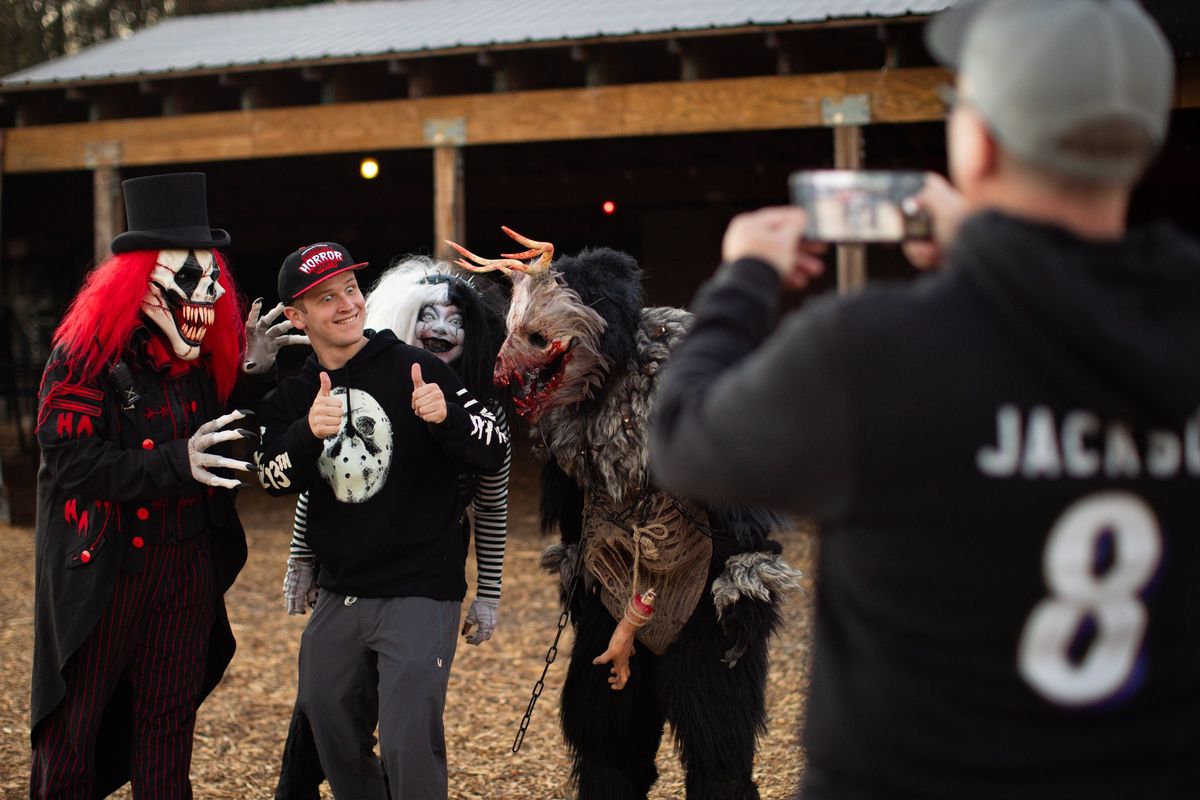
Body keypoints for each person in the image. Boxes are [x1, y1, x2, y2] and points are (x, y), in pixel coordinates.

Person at [650, 1, 1200, 798]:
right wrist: (986, 246)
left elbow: (685, 437)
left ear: (976, 142)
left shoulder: (869, 352)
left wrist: (744, 279)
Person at [30, 172, 256, 797]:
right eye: (188, 277)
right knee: (74, 729)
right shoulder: (83, 356)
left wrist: (250, 369)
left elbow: (229, 432)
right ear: (141, 280)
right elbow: (68, 460)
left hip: (185, 566)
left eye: (213, 279)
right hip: (107, 569)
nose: (206, 294)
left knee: (167, 725)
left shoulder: (199, 358)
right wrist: (171, 464)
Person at [253, 256, 512, 800]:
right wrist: (307, 435)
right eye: (327, 298)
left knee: (408, 743)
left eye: (350, 289)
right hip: (340, 594)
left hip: (420, 589)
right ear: (298, 318)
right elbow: (271, 476)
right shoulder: (297, 396)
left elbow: (493, 451)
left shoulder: (416, 367)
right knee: (330, 731)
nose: (347, 304)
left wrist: (450, 418)